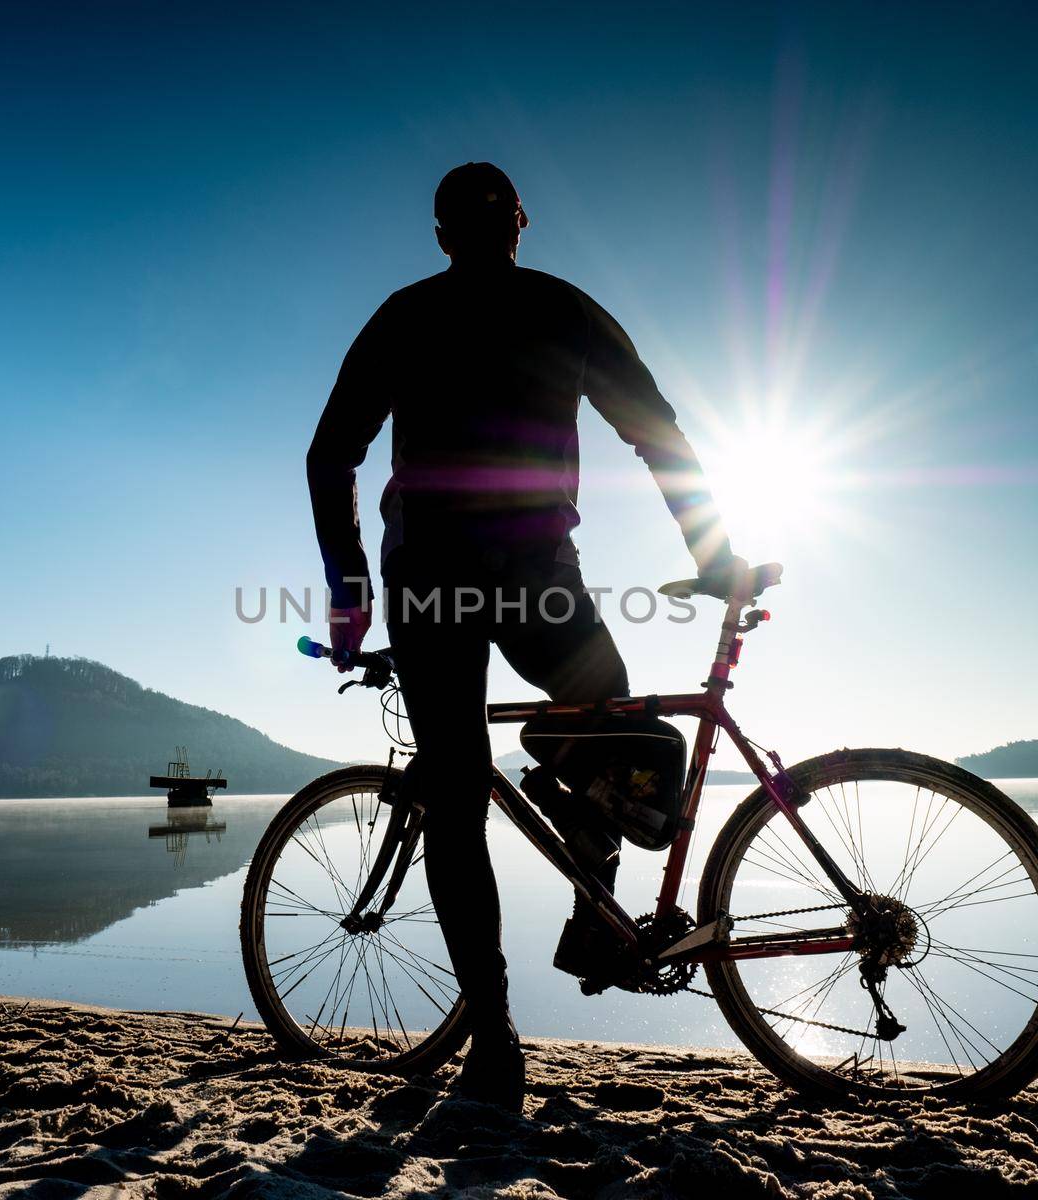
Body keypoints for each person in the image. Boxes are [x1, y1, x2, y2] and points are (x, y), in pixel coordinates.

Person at [306, 162, 731, 1111]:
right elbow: (655, 430)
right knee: (610, 728)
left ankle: (494, 1040)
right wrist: (717, 551)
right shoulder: (563, 308)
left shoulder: (407, 314)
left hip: (431, 583)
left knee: (459, 804)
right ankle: (592, 921)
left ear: (443, 234)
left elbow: (332, 453)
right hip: (535, 575)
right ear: (519, 225)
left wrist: (348, 586)